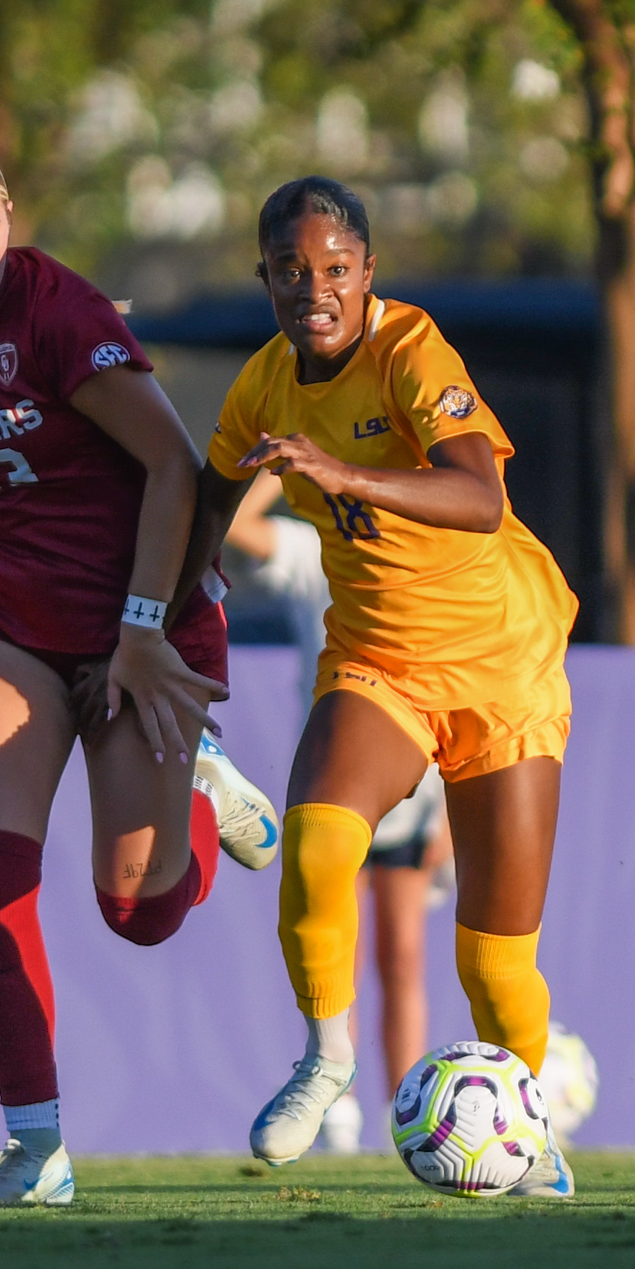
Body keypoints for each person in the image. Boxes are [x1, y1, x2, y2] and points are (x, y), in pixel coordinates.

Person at [0, 135, 280, 1207]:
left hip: (143, 615)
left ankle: (199, 778)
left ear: (12, 218)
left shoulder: (56, 312)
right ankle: (34, 1148)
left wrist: (142, 630)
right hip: (5, 620)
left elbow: (173, 469)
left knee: (136, 913)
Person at [208, 175, 579, 1195]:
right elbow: (201, 505)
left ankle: (528, 1129)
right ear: (266, 278)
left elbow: (477, 494)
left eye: (334, 269)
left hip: (503, 667)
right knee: (320, 843)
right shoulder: (263, 386)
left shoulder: (412, 350)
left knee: (494, 965)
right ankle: (327, 1063)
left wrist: (343, 473)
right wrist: (153, 614)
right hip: (378, 663)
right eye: (290, 271)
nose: (313, 289)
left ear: (368, 274)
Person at [225, 472, 455, 1151]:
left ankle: (405, 1102)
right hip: (335, 778)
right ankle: (338, 1103)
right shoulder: (314, 551)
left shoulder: (429, 561)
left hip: (418, 786)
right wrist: (280, 465)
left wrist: (448, 807)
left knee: (403, 955)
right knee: (335, 947)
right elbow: (234, 526)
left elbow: (449, 684)